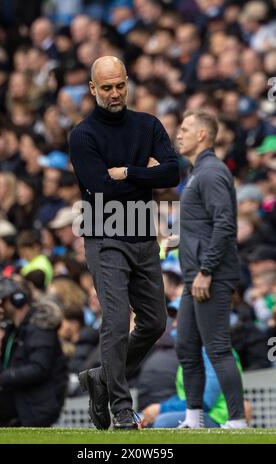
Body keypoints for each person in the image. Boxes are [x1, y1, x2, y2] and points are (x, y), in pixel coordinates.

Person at [69, 55, 180, 430]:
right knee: (116, 322)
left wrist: (128, 173)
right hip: (104, 235)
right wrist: (147, 176)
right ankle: (120, 406)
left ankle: (101, 378)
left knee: (155, 322)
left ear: (127, 82)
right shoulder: (82, 135)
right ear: (92, 89)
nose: (115, 94)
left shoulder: (148, 124)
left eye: (120, 85)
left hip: (142, 233)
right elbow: (100, 189)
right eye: (106, 88)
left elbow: (173, 171)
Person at [175, 109, 247, 429]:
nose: (178, 133)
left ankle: (236, 421)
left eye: (185, 128)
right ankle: (194, 418)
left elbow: (225, 224)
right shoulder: (195, 173)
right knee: (187, 346)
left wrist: (206, 269)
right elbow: (209, 225)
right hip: (195, 276)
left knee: (217, 348)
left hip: (210, 276)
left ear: (202, 135)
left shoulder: (210, 172)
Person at [0, 278, 67, 427]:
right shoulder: (14, 330)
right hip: (20, 397)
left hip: (35, 404)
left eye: (3, 301)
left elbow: (38, 368)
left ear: (17, 300)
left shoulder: (39, 327)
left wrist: (0, 378)